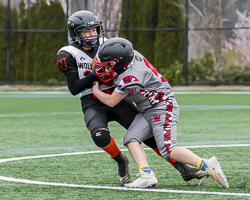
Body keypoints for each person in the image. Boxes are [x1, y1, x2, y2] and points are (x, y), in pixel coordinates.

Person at [56, 10, 206, 187]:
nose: (92, 34)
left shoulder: (108, 44)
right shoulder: (68, 54)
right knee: (100, 136)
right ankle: (121, 161)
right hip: (92, 101)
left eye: (94, 30)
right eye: (86, 32)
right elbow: (74, 88)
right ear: (76, 34)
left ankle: (183, 168)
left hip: (116, 97)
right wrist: (96, 76)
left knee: (149, 137)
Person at [92, 37, 229, 189]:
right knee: (130, 138)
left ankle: (208, 165)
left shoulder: (131, 76)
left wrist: (96, 90)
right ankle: (146, 175)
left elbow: (111, 101)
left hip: (162, 106)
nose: (105, 67)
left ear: (120, 62)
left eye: (109, 64)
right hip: (148, 108)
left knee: (168, 150)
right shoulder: (131, 57)